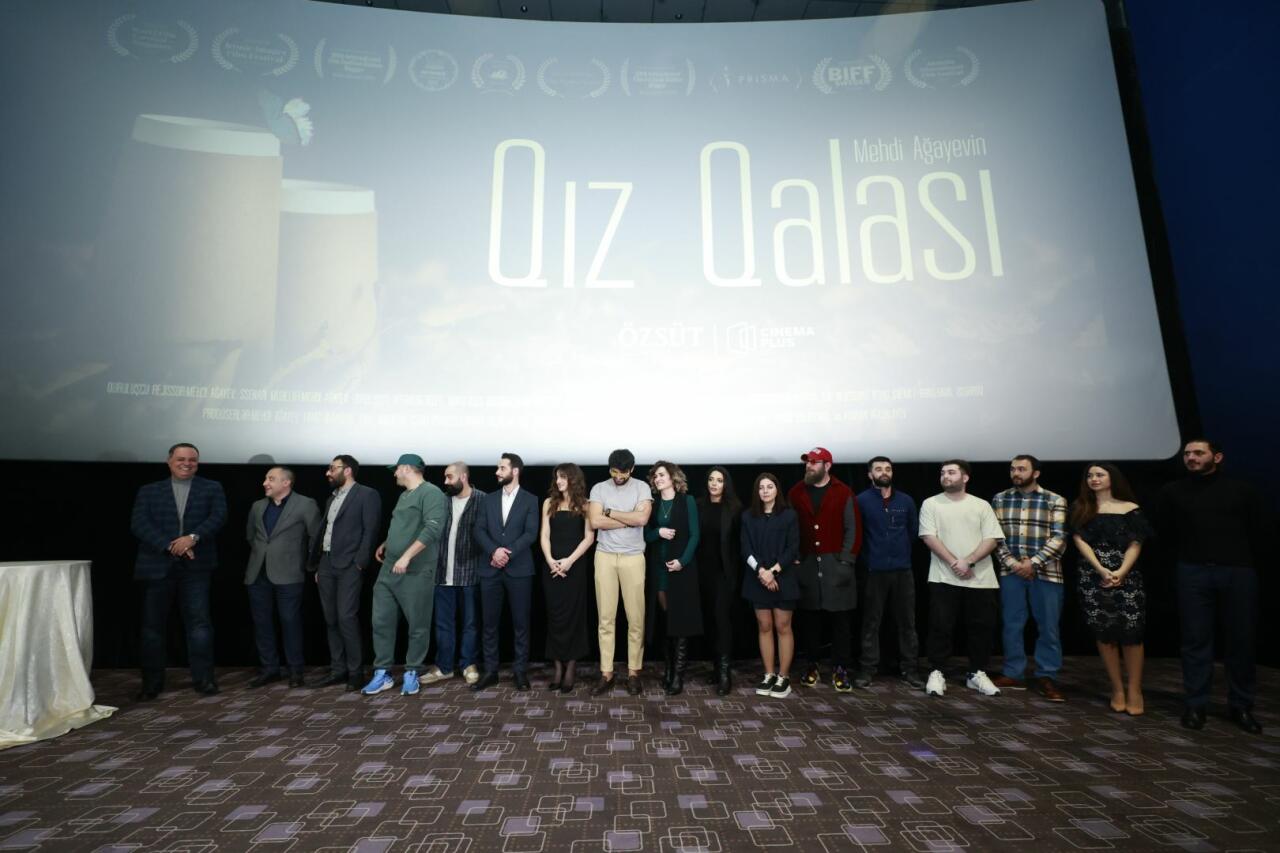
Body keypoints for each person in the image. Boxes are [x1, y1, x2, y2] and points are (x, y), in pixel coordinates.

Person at [1158, 439, 1269, 733]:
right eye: (1187, 454)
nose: (1191, 458)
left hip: (1238, 571)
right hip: (1192, 572)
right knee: (1195, 641)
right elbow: (1164, 534)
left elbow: (1260, 532)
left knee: (1241, 641)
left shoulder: (1242, 491)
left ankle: (1241, 705)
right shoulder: (1172, 491)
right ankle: (1196, 705)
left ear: (1217, 457)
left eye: (1198, 453)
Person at [131, 442, 227, 700]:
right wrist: (171, 546)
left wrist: (192, 538)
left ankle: (204, 680)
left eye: (192, 460)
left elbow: (218, 517)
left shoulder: (212, 488)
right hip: (157, 567)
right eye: (181, 459)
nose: (187, 463)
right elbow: (139, 524)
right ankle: (151, 683)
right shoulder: (149, 491)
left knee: (200, 625)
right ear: (169, 461)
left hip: (197, 567)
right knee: (152, 627)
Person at [1070, 462, 1152, 716]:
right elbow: (1079, 540)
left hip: (1127, 576)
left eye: (1099, 475)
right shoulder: (1081, 508)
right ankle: (1117, 689)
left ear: (1112, 478)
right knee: (1104, 632)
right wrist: (1101, 570)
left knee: (1132, 633)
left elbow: (1136, 543)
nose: (1094, 479)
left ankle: (1134, 689)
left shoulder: (1130, 508)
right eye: (1090, 475)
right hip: (1093, 577)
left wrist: (1121, 572)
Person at [361, 453, 447, 697]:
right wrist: (387, 543)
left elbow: (432, 529)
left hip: (416, 570)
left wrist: (407, 556)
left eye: (397, 469)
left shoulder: (431, 493)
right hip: (389, 568)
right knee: (381, 621)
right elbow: (403, 526)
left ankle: (412, 671)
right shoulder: (404, 495)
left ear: (408, 468)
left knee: (418, 624)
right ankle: (382, 672)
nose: (395, 474)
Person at [918, 460, 1005, 698]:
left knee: (981, 627)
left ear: (965, 478)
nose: (945, 476)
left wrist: (969, 561)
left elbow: (992, 538)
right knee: (940, 626)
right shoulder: (931, 503)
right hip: (943, 577)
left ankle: (977, 673)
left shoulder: (981, 505)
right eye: (942, 473)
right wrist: (955, 563)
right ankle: (937, 672)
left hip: (981, 578)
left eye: (951, 472)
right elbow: (928, 537)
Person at [990, 455, 1069, 702]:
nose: (1016, 473)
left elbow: (1059, 538)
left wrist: (1032, 563)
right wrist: (1014, 564)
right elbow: (995, 537)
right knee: (1011, 624)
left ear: (1036, 473)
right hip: (1011, 572)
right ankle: (1013, 672)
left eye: (1022, 469)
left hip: (1046, 572)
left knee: (1048, 627)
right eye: (1013, 469)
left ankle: (1047, 675)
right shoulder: (1000, 499)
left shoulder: (1054, 500)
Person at [788, 447, 861, 692]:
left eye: (814, 462)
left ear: (827, 466)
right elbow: (789, 527)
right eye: (807, 462)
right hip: (807, 565)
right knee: (810, 622)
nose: (809, 466)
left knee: (841, 622)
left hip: (836, 564)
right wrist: (796, 558)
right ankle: (812, 665)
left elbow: (853, 529)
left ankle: (840, 668)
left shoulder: (843, 492)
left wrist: (846, 562)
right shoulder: (796, 492)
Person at [244, 467, 321, 688]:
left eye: (271, 479)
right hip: (257, 574)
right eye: (265, 478)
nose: (265, 483)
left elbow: (315, 537)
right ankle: (270, 669)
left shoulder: (306, 504)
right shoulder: (257, 506)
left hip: (290, 574)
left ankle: (296, 671)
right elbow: (251, 536)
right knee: (262, 623)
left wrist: (309, 565)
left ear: (286, 482)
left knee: (290, 622)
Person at [311, 454, 382, 691]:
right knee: (330, 618)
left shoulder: (367, 494)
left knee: (346, 617)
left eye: (333, 468)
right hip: (327, 563)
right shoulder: (331, 498)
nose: (328, 472)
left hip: (350, 565)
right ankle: (338, 670)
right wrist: (320, 564)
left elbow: (370, 530)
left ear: (347, 470)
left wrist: (360, 563)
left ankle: (355, 672)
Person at [472, 453, 540, 691]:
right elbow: (478, 530)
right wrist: (494, 551)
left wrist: (506, 553)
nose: (497, 472)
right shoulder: (488, 499)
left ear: (515, 471)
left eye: (502, 468)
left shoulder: (531, 500)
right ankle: (490, 672)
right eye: (498, 468)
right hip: (490, 568)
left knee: (521, 624)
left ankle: (520, 672)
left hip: (519, 570)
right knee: (489, 624)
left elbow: (530, 534)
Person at [589, 449, 654, 696]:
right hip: (604, 556)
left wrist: (609, 512)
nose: (618, 477)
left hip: (633, 557)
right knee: (605, 618)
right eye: (614, 472)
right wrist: (629, 519)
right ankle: (606, 672)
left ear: (632, 469)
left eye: (623, 473)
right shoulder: (599, 488)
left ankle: (634, 672)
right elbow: (595, 522)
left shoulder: (642, 488)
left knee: (635, 618)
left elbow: (643, 519)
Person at [854, 457, 923, 689]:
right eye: (878, 469)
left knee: (907, 623)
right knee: (870, 622)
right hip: (873, 571)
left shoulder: (906, 500)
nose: (884, 472)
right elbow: (857, 534)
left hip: (903, 571)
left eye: (887, 469)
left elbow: (913, 532)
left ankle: (910, 669)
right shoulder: (861, 501)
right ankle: (867, 669)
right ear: (870, 475)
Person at [421, 462, 485, 687]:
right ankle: (444, 667)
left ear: (463, 477)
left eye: (449, 477)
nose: (445, 481)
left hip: (469, 572)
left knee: (470, 623)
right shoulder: (441, 500)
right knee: (442, 624)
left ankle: (469, 664)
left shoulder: (482, 500)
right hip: (441, 572)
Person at [644, 461, 702, 696]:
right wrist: (658, 532)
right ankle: (668, 670)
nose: (657, 479)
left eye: (661, 475)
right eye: (655, 476)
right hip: (659, 569)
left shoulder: (687, 501)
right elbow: (645, 536)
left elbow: (695, 535)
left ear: (672, 477)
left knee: (680, 622)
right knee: (666, 619)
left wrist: (682, 561)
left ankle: (678, 675)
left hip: (681, 569)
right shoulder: (653, 504)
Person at [741, 473, 800, 699]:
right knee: (764, 626)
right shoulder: (748, 516)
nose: (765, 491)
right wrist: (761, 572)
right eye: (761, 487)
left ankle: (783, 677)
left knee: (783, 626)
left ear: (777, 490)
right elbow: (745, 549)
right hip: (758, 578)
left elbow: (792, 549)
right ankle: (769, 674)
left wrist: (773, 571)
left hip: (783, 577)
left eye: (770, 486)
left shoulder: (789, 515)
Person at [540, 463, 595, 694]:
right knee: (555, 617)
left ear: (573, 479)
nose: (559, 481)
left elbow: (589, 537)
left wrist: (569, 561)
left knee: (574, 616)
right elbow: (544, 535)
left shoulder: (586, 504)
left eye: (563, 477)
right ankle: (557, 668)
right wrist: (550, 560)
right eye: (557, 477)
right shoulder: (548, 503)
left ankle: (571, 666)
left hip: (575, 566)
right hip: (552, 567)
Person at [697, 465, 743, 695]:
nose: (714, 484)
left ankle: (725, 673)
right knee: (709, 621)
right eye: (711, 480)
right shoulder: (698, 505)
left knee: (721, 620)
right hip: (701, 572)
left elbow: (739, 544)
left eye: (719, 480)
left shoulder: (735, 508)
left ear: (726, 484)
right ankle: (716, 668)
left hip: (724, 574)